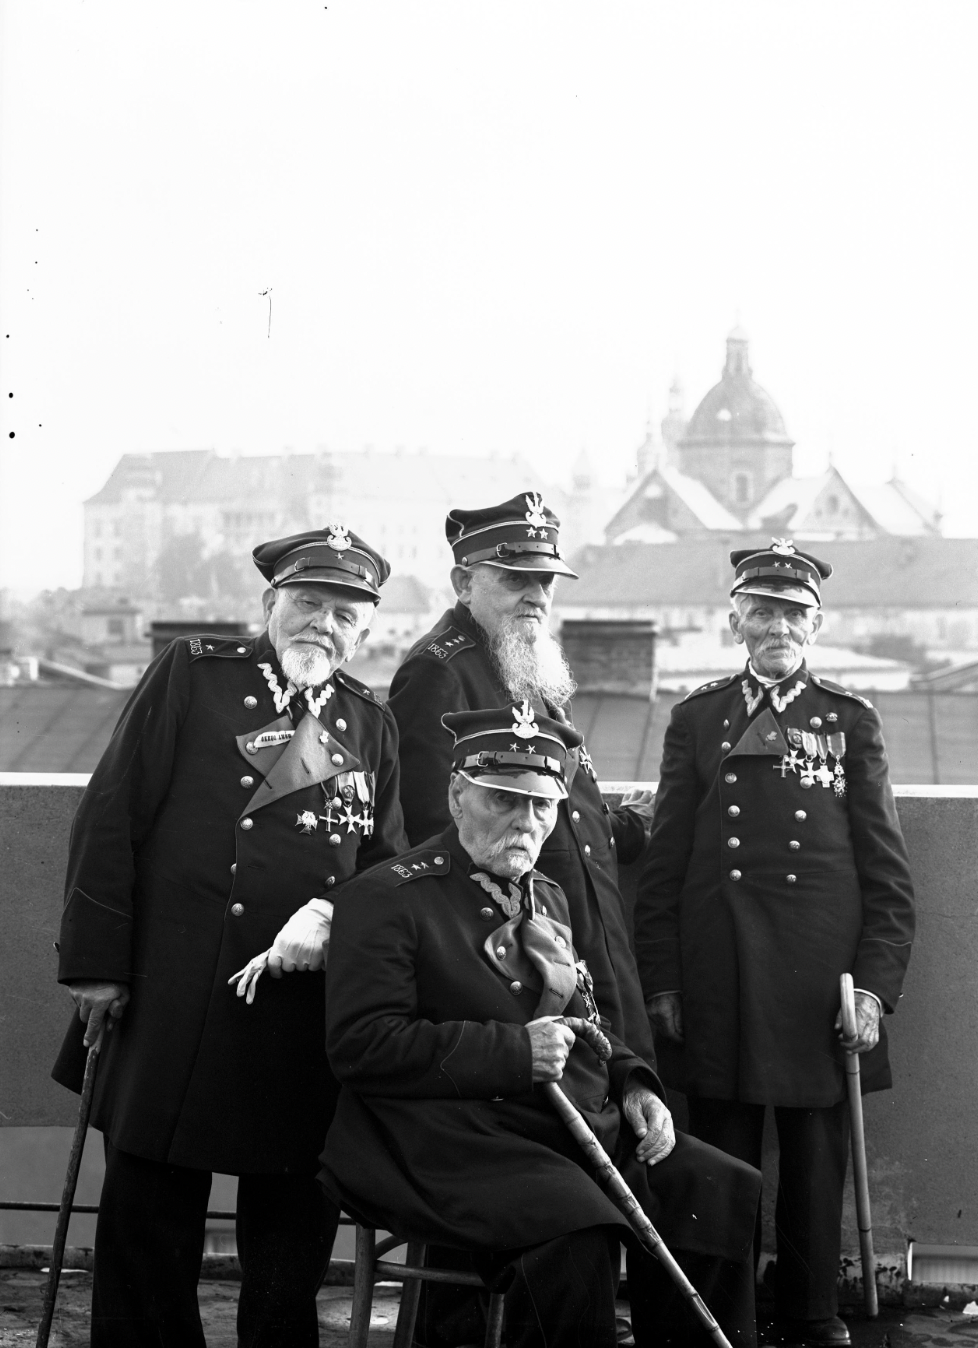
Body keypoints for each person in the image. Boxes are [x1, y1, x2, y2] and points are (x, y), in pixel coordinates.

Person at [52, 524, 407, 1348]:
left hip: (294, 1016)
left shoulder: (371, 725)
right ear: (269, 604)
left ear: (367, 629)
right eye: (308, 602)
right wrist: (96, 968)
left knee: (289, 1238)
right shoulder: (196, 676)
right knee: (148, 1221)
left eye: (344, 612)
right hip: (174, 993)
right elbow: (111, 816)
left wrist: (336, 915)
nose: (323, 622)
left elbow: (385, 870)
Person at [320, 702, 762, 1348]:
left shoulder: (546, 895)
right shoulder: (387, 897)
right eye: (504, 800)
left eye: (542, 806)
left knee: (714, 1185)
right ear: (457, 794)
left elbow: (584, 1017)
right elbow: (360, 1046)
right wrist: (512, 1054)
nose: (526, 824)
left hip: (550, 1127)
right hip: (439, 1138)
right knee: (575, 1231)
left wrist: (634, 1083)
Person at [633, 539, 916, 1348]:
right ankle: (726, 1317)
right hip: (717, 973)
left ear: (815, 624)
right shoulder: (697, 718)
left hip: (816, 985)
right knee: (718, 1154)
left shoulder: (851, 722)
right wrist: (663, 979)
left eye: (792, 612)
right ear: (735, 621)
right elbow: (666, 863)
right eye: (761, 610)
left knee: (814, 1161)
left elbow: (888, 878)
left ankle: (810, 1313)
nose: (776, 625)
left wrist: (871, 991)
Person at [387, 490, 655, 1065]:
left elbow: (568, 811)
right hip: (519, 949)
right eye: (514, 578)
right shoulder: (440, 671)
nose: (535, 595)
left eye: (546, 581)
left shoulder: (525, 659)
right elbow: (440, 830)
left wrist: (630, 825)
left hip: (590, 931)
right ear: (464, 582)